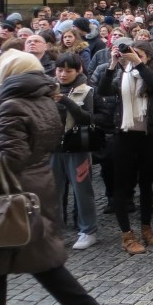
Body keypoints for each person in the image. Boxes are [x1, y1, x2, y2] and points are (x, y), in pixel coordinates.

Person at [0, 51, 111, 305]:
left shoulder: (12, 105)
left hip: (14, 189)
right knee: (36, 259)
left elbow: (12, 158)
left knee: (1, 259)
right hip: (38, 183)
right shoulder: (44, 100)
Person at [97, 40, 153, 255]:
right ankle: (127, 235)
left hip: (148, 135)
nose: (132, 57)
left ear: (148, 57)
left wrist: (138, 63)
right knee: (122, 185)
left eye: (139, 54)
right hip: (124, 135)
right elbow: (102, 90)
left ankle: (146, 228)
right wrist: (113, 63)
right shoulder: (121, 74)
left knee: (146, 184)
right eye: (131, 54)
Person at [51, 52, 100, 250]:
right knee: (53, 192)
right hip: (53, 148)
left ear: (77, 70)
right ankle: (55, 232)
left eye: (68, 71)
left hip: (77, 147)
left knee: (82, 191)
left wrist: (66, 101)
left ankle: (88, 230)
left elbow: (88, 118)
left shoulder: (86, 90)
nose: (63, 74)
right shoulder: (47, 88)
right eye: (59, 70)